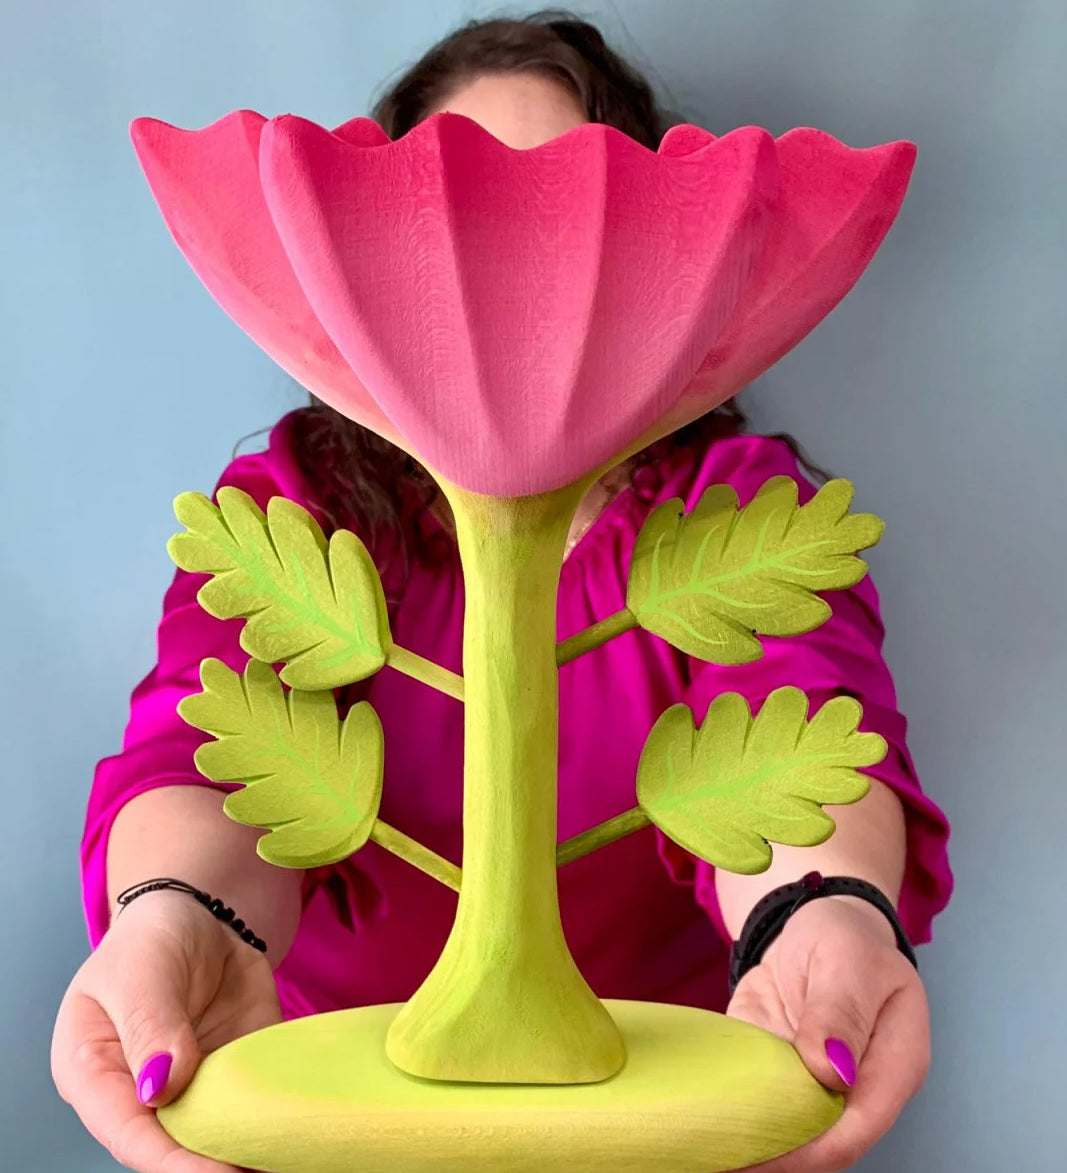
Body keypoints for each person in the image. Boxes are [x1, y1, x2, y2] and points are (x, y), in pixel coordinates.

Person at [51, 10, 953, 1173]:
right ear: (358, 269)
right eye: (456, 223)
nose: (506, 275)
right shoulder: (296, 503)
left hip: (651, 1127)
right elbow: (203, 736)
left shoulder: (732, 509)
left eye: (559, 213)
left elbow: (807, 728)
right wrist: (179, 914)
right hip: (339, 1107)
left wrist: (819, 919)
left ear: (651, 261)